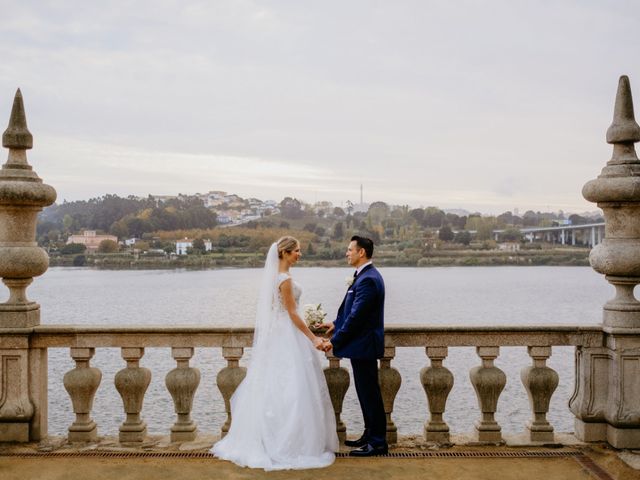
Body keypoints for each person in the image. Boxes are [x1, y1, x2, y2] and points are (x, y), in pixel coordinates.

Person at [211, 236, 338, 470]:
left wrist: (310, 323)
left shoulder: (275, 278)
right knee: (293, 388)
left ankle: (273, 439)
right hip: (288, 335)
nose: (300, 254)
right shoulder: (285, 279)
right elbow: (291, 313)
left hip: (279, 335)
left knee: (276, 387)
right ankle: (289, 444)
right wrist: (313, 339)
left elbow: (283, 311)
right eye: (297, 251)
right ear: (285, 253)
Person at [322, 235, 387, 456]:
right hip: (362, 346)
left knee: (370, 394)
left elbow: (357, 317)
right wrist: (335, 323)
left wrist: (335, 340)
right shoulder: (363, 275)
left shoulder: (368, 279)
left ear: (362, 252)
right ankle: (370, 434)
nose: (347, 253)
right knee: (365, 392)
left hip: (365, 346)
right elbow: (351, 312)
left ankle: (378, 443)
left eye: (350, 250)